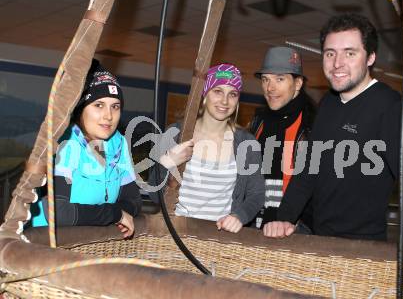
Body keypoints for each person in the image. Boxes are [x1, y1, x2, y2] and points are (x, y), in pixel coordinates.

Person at [264, 13, 403, 241]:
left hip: (361, 245)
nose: (337, 63)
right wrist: (285, 218)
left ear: (370, 57)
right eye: (330, 54)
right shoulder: (329, 101)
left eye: (350, 53)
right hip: (317, 235)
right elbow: (308, 168)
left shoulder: (389, 106)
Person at [31, 59, 141, 238]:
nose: (108, 116)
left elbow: (134, 201)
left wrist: (114, 213)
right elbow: (58, 213)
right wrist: (116, 214)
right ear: (80, 108)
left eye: (115, 106)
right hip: (46, 244)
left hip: (88, 244)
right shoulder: (65, 143)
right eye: (98, 105)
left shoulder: (118, 143)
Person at [148, 63, 265, 233]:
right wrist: (167, 163)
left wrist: (240, 216)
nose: (225, 101)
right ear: (205, 93)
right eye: (217, 91)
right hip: (175, 232)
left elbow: (257, 194)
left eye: (232, 94)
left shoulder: (246, 143)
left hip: (217, 236)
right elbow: (154, 195)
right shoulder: (176, 134)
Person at [247, 46, 315, 231]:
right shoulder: (258, 122)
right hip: (252, 223)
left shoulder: (313, 125)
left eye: (280, 79)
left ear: (298, 83)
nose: (270, 88)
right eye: (265, 79)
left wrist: (297, 224)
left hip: (294, 229)